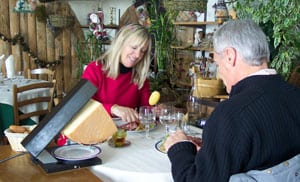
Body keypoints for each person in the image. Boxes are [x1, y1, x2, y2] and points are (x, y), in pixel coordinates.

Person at [164, 19, 300, 181]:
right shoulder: (294, 95)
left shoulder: (230, 114)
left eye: (217, 64)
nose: (219, 74)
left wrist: (178, 147)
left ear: (230, 56)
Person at [82, 24, 152, 123]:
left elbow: (146, 111)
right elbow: (83, 106)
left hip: (125, 134)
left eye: (143, 51)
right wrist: (113, 108)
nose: (138, 55)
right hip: (94, 128)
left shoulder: (140, 76)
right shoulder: (95, 69)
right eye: (134, 47)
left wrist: (155, 111)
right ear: (120, 43)